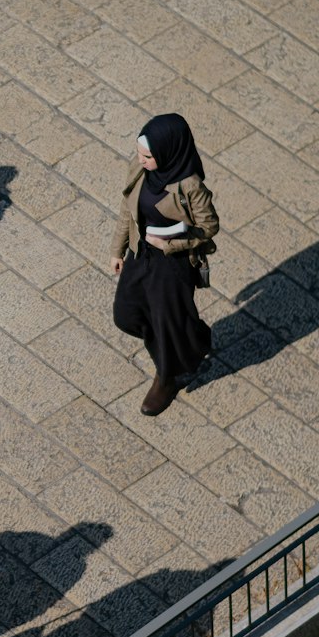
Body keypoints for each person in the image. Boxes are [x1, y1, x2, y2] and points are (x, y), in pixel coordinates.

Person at [111, 112, 219, 417]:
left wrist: (171, 245)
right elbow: (127, 209)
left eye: (147, 155)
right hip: (141, 252)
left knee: (164, 320)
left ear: (168, 152)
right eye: (139, 153)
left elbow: (209, 227)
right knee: (126, 314)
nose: (140, 159)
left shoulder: (190, 186)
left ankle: (166, 376)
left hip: (173, 264)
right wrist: (117, 250)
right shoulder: (140, 170)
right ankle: (191, 338)